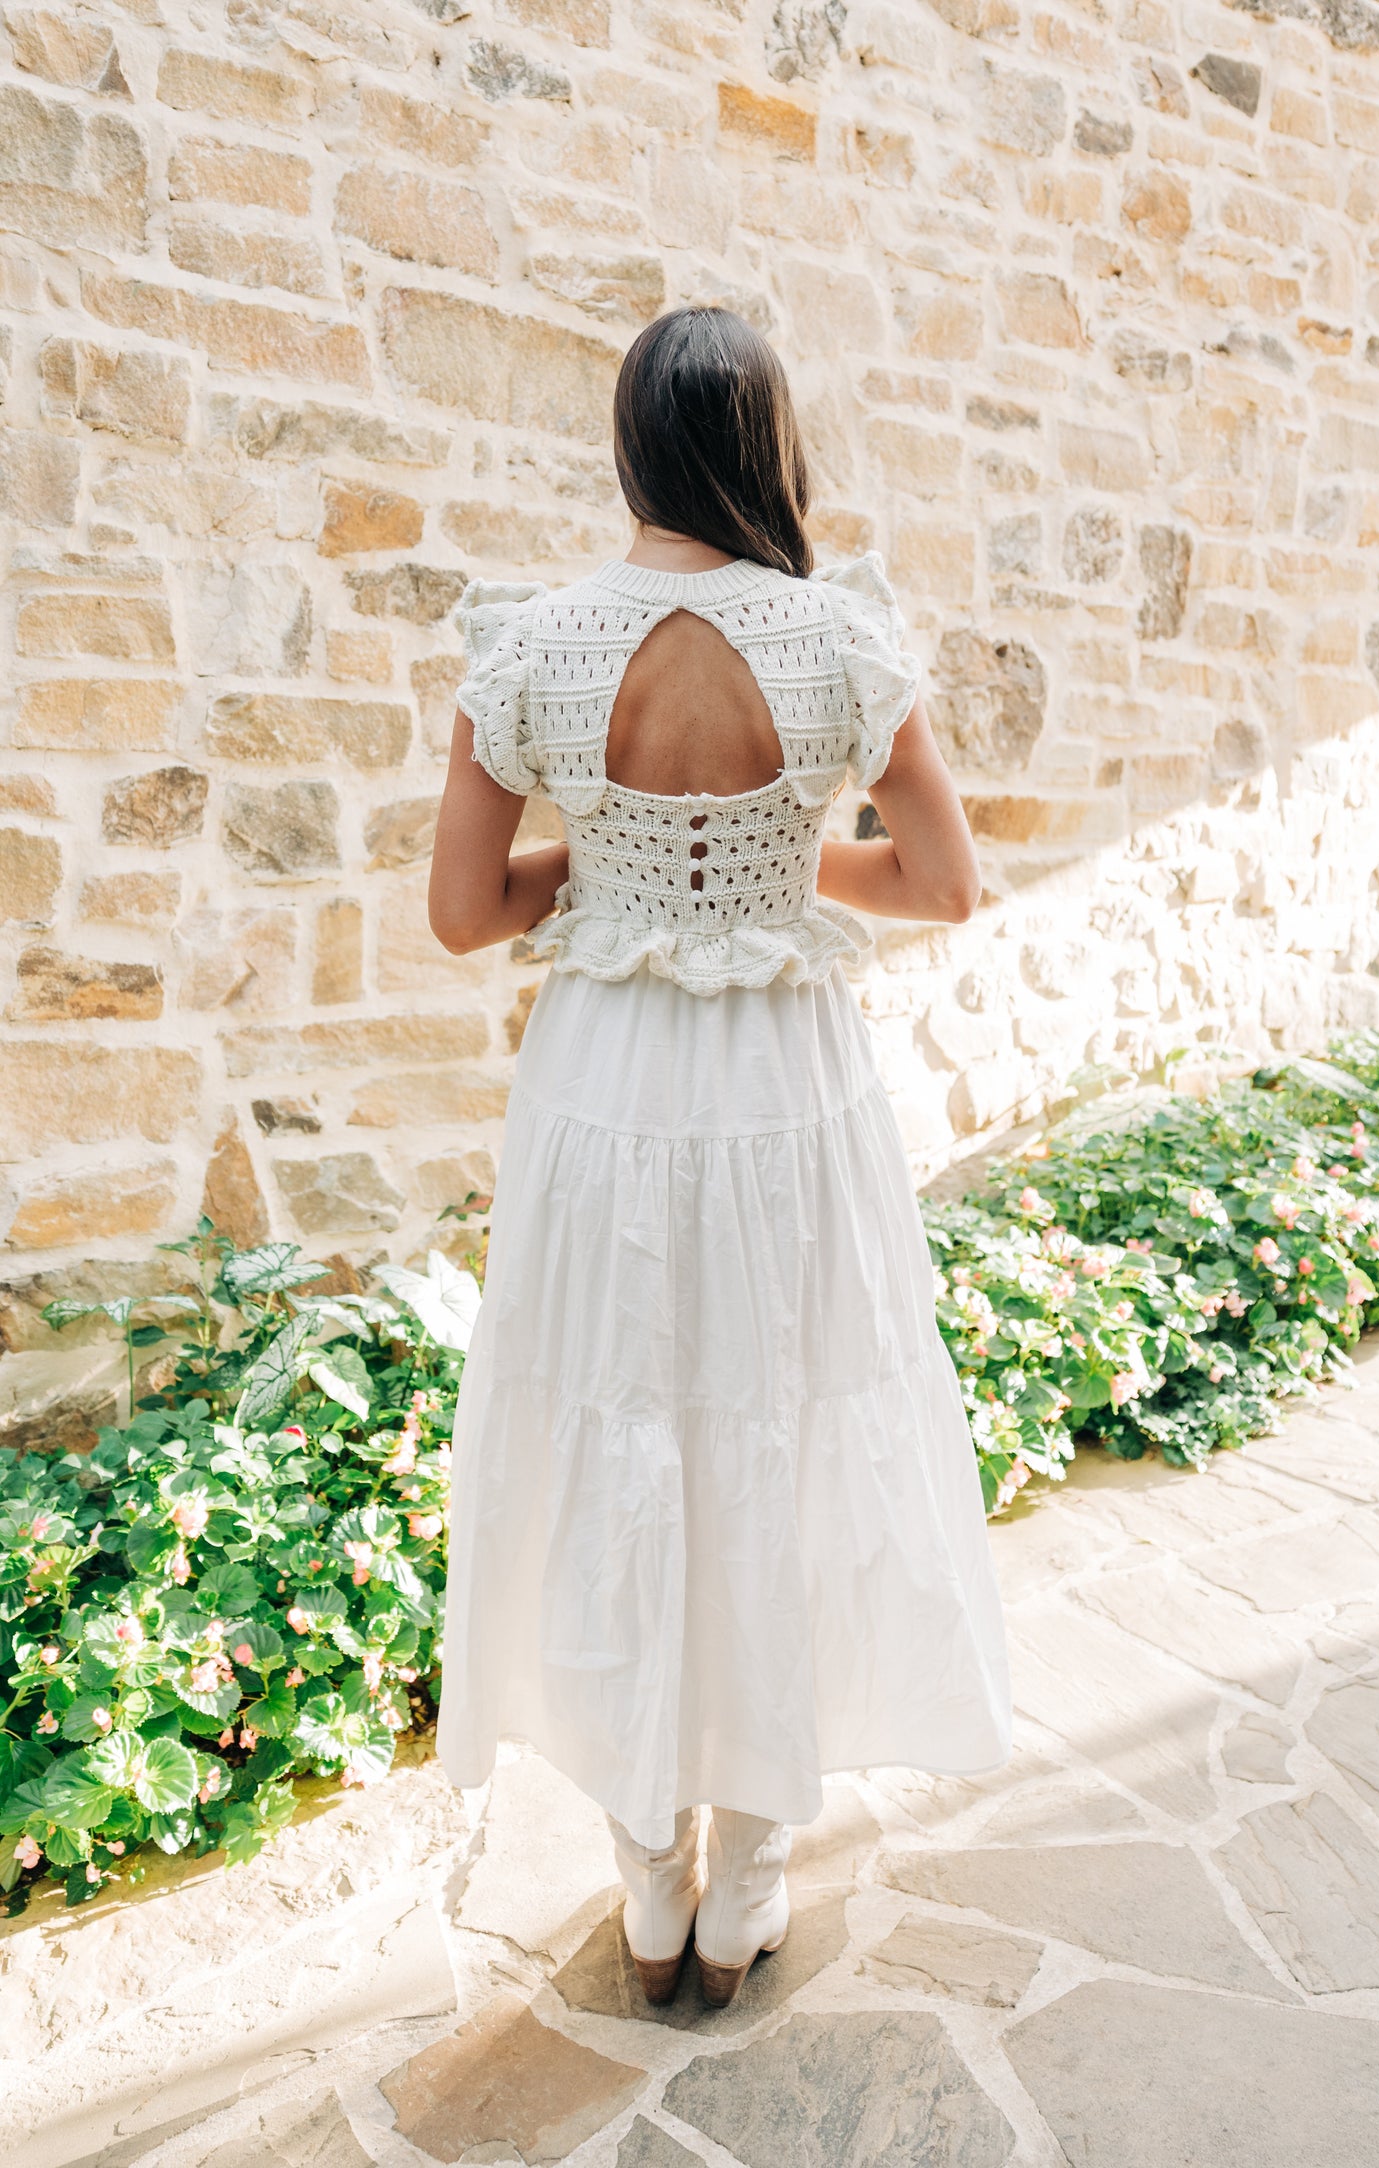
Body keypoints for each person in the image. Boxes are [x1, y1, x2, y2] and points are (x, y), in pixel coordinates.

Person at [428, 305, 1011, 2010]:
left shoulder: (530, 648)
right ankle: (751, 1869)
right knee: (780, 1417)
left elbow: (465, 914)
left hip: (604, 1086)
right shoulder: (838, 644)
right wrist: (761, 873)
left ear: (630, 447)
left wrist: (613, 876)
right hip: (782, 1090)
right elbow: (942, 885)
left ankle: (644, 1873)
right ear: (763, 442)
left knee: (615, 1419)